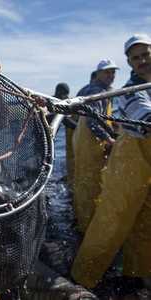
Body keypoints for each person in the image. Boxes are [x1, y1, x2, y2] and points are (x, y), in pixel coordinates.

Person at [71, 34, 151, 294]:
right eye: (136, 57)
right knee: (111, 217)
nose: (142, 61)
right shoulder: (124, 92)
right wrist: (107, 139)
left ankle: (136, 273)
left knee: (144, 217)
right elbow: (142, 117)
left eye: (146, 54)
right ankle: (83, 278)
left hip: (138, 157)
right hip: (129, 158)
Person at [72, 59, 118, 233]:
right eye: (107, 72)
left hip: (82, 140)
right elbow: (93, 123)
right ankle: (88, 228)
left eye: (113, 72)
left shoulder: (89, 88)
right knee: (90, 185)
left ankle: (80, 220)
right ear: (98, 73)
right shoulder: (97, 91)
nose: (111, 75)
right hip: (90, 143)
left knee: (82, 181)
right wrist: (110, 140)